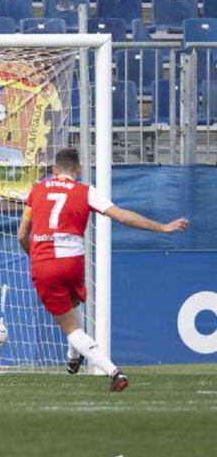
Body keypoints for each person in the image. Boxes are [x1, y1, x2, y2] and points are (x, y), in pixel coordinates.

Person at [18, 147, 189, 391]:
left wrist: (34, 256)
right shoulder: (86, 191)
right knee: (73, 303)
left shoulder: (37, 190)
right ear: (78, 169)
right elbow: (122, 216)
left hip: (45, 259)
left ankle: (114, 371)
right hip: (73, 260)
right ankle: (73, 356)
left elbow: (22, 234)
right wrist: (163, 228)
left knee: (70, 326)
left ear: (54, 170)